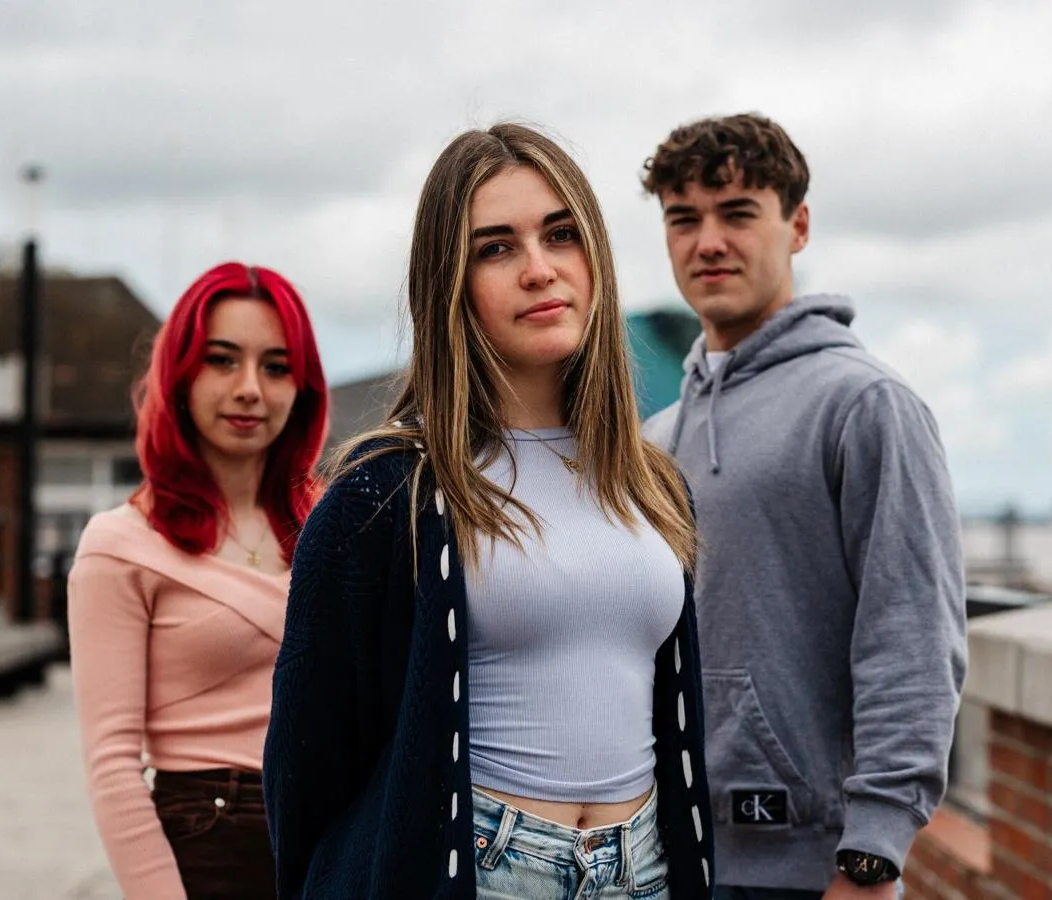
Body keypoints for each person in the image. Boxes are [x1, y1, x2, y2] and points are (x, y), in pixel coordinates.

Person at [263, 123, 716, 899]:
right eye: (496, 248)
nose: (540, 270)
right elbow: (308, 768)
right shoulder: (383, 495)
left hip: (646, 871)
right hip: (482, 869)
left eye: (561, 235)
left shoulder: (654, 485)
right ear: (451, 282)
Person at [640, 113, 966, 899]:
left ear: (798, 226)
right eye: (684, 220)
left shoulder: (866, 405)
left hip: (809, 870)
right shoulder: (655, 436)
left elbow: (912, 637)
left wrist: (874, 854)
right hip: (664, 855)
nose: (707, 241)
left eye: (738, 213)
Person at [67, 261, 328, 899]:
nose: (250, 389)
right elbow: (113, 767)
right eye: (221, 360)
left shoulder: (333, 530)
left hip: (327, 832)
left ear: (302, 388)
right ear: (181, 374)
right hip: (210, 838)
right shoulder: (121, 544)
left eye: (275, 366)